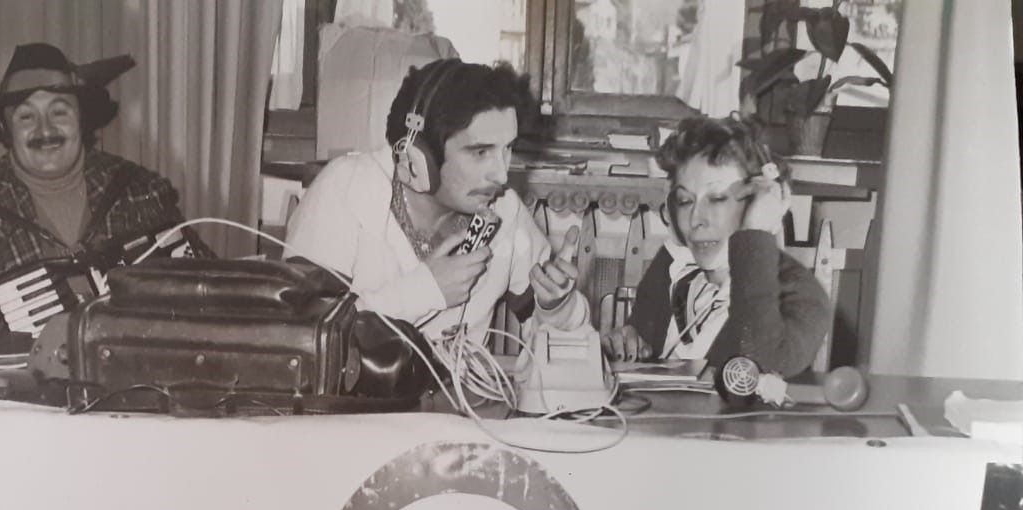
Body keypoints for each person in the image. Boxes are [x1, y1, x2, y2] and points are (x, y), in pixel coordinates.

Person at [284, 59, 589, 348]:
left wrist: (557, 307)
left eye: (507, 149)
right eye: (480, 152)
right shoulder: (347, 188)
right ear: (419, 157)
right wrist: (425, 292)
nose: (502, 174)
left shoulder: (505, 211)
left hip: (462, 388)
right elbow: (301, 336)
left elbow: (558, 341)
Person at [0, 43, 205, 334]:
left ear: (81, 120)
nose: (45, 130)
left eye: (59, 112)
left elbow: (206, 288)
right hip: (15, 365)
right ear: (5, 129)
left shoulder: (139, 190)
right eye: (26, 117)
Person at [603, 115, 828, 377]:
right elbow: (640, 342)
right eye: (685, 201)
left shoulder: (801, 295)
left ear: (761, 203)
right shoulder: (673, 269)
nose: (696, 219)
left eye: (718, 198)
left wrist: (754, 235)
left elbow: (758, 366)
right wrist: (627, 341)